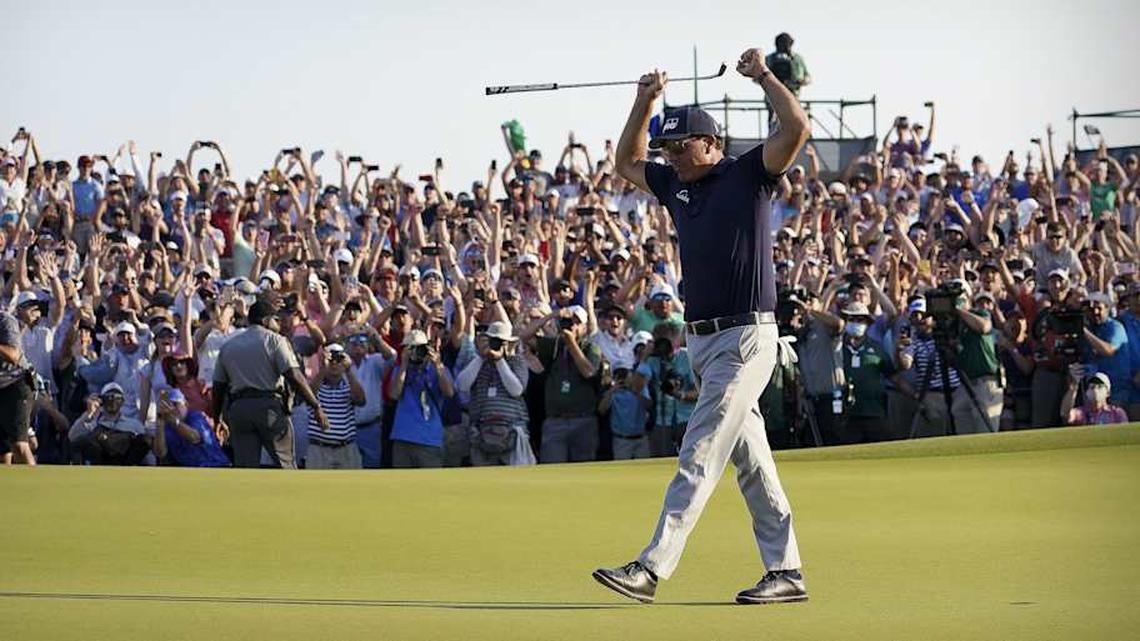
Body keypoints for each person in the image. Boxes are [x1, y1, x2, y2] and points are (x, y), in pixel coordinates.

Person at [593, 46, 810, 605]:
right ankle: (786, 571)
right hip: (704, 343)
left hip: (746, 337)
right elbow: (626, 161)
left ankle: (652, 567)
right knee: (752, 463)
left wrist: (764, 76)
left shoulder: (748, 174)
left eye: (680, 145)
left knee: (701, 448)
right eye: (666, 147)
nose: (670, 156)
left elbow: (796, 128)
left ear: (711, 142)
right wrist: (645, 101)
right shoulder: (675, 185)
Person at [212, 299, 329, 469]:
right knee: (285, 465)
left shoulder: (229, 345)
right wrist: (315, 405)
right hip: (268, 406)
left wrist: (217, 418)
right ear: (266, 320)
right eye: (275, 319)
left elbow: (218, 386)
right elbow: (294, 375)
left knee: (245, 468)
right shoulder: (275, 340)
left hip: (239, 409)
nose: (278, 323)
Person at [523, 305, 602, 464]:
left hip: (583, 420)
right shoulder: (555, 345)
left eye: (576, 322)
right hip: (555, 421)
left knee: (583, 470)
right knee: (553, 469)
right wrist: (551, 315)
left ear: (584, 328)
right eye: (568, 321)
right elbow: (525, 336)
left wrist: (571, 343)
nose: (571, 325)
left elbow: (588, 372)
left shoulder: (590, 348)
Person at [457, 321, 530, 466]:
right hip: (482, 431)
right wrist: (481, 357)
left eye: (500, 342)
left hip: (512, 430)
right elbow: (462, 385)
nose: (496, 345)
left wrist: (499, 360)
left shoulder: (517, 362)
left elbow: (516, 390)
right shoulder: (477, 362)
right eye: (494, 341)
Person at [388, 329, 455, 468]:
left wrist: (437, 365)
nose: (415, 353)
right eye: (411, 349)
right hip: (403, 437)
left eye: (419, 348)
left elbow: (449, 393)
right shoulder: (399, 370)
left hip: (429, 438)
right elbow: (394, 395)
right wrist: (404, 365)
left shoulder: (438, 369)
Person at [306, 343, 366, 469]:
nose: (334, 363)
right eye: (331, 359)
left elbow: (361, 400)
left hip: (346, 448)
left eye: (339, 360)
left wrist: (348, 370)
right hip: (319, 449)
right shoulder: (316, 384)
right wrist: (323, 369)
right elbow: (309, 396)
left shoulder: (349, 385)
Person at [68, 382, 150, 465]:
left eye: (117, 397)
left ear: (122, 401)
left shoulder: (134, 424)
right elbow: (72, 437)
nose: (113, 400)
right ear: (102, 400)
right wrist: (90, 413)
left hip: (125, 463)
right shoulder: (93, 421)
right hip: (100, 461)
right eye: (109, 397)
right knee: (82, 440)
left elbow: (143, 447)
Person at [153, 388, 230, 467]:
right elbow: (160, 453)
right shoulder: (167, 426)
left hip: (216, 466)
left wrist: (172, 420)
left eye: (175, 404)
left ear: (186, 404)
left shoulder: (196, 416)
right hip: (190, 470)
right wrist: (160, 424)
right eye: (169, 405)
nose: (172, 409)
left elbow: (195, 438)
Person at [0, 310, 36, 464]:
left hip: (16, 384)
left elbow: (13, 355)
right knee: (2, 453)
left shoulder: (5, 321)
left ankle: (35, 480)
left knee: (19, 445)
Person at [1061, 371, 1128, 426]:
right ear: (1087, 392)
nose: (1095, 389)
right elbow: (1065, 414)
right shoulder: (1082, 412)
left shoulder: (1117, 413)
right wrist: (1074, 387)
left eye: (1099, 386)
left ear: (1108, 393)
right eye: (1092, 387)